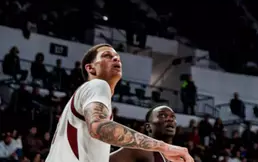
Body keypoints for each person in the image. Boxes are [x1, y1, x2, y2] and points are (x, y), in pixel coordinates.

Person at [46, 44, 193, 162]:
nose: (116, 59)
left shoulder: (90, 98)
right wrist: (164, 147)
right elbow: (99, 128)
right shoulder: (97, 85)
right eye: (107, 56)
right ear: (91, 68)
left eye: (117, 57)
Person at [109, 105, 177, 162]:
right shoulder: (139, 150)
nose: (170, 119)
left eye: (173, 116)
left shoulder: (179, 155)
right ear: (148, 127)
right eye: (162, 115)